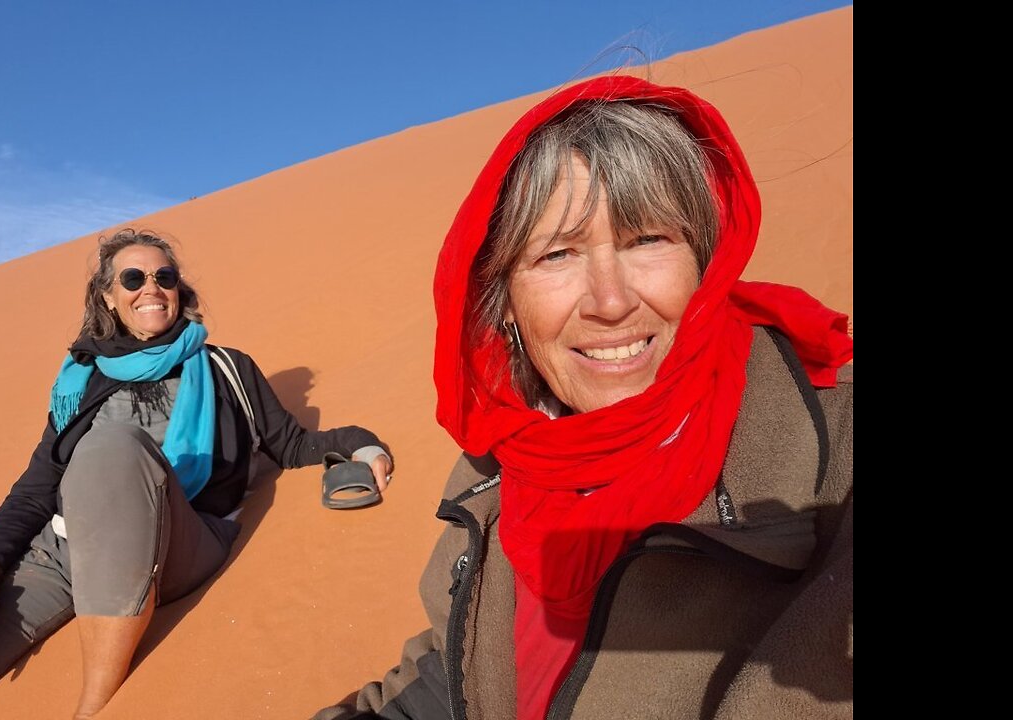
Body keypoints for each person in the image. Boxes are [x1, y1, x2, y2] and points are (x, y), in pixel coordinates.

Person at [315, 76, 852, 720]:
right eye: (557, 254)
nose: (611, 301)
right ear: (505, 302)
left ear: (706, 264)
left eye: (647, 239)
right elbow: (456, 673)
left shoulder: (833, 454)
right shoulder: (503, 465)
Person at [0, 228, 394, 719]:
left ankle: (95, 707)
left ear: (179, 289)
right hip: (65, 551)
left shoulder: (226, 368)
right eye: (132, 278)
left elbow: (293, 444)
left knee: (112, 447)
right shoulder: (80, 380)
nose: (150, 288)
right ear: (109, 297)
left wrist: (362, 444)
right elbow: (33, 492)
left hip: (178, 541)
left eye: (164, 276)